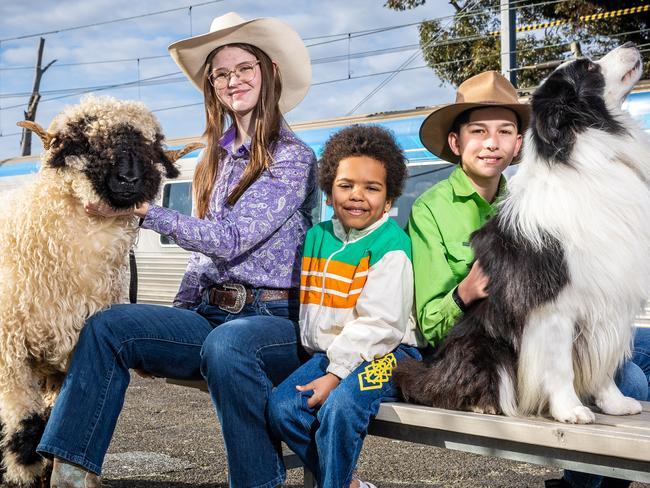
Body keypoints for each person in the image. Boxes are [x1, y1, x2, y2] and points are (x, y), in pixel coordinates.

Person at [37, 12, 317, 488]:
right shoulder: (216, 158)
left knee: (229, 348)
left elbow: (230, 240)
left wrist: (141, 209)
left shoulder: (292, 157)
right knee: (110, 327)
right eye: (221, 74)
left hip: (272, 321)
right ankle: (71, 471)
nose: (234, 81)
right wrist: (173, 317)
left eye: (244, 68)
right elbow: (203, 256)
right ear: (213, 86)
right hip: (210, 316)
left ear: (269, 70)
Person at [407, 70, 650, 488]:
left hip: (560, 340)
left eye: (505, 131)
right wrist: (465, 292)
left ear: (520, 143)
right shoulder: (430, 209)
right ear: (456, 142)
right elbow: (430, 324)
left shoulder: (538, 193)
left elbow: (588, 297)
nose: (491, 143)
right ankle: (583, 484)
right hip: (489, 347)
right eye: (478, 131)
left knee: (643, 353)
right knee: (634, 378)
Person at [267, 125, 424, 488]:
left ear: (388, 200)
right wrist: (330, 363)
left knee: (341, 408)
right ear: (329, 190)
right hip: (337, 353)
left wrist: (335, 375)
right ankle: (347, 484)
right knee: (283, 408)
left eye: (372, 188)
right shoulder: (316, 236)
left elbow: (381, 325)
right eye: (346, 185)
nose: (357, 196)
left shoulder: (391, 245)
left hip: (389, 353)